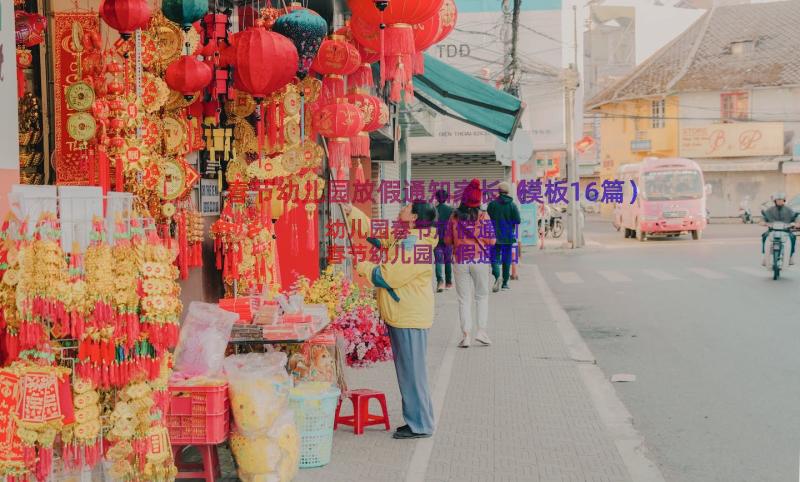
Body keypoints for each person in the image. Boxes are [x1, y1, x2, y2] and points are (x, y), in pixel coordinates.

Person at [342, 200, 438, 440]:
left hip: (409, 316)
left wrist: (361, 265)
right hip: (403, 313)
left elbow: (388, 276)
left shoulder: (415, 245)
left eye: (406, 207)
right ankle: (417, 420)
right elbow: (375, 233)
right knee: (409, 372)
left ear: (414, 217)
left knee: (413, 373)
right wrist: (351, 211)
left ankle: (421, 424)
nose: (402, 208)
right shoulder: (406, 237)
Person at [445, 179, 496, 348]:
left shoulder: (454, 216)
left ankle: (466, 335)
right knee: (481, 296)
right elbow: (492, 240)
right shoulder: (484, 216)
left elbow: (447, 240)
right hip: (480, 260)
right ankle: (481, 332)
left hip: (460, 260)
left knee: (463, 299)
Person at [487, 182, 521, 292]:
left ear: (498, 192)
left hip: (494, 237)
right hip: (508, 236)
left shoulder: (492, 205)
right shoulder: (512, 205)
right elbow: (518, 220)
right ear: (508, 192)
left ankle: (497, 277)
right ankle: (505, 283)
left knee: (494, 259)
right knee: (506, 260)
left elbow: (487, 220)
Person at [760, 192, 799, 264]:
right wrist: (763, 223)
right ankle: (765, 256)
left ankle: (790, 256)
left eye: (781, 200)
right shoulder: (770, 210)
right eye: (778, 200)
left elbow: (796, 218)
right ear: (775, 201)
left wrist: (796, 224)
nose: (779, 201)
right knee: (764, 236)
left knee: (793, 237)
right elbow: (763, 219)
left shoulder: (789, 210)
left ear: (784, 200)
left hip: (786, 231)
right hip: (772, 231)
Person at [433, 189, 454, 292]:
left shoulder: (433, 210)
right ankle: (449, 283)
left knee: (438, 261)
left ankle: (440, 282)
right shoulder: (451, 210)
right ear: (446, 198)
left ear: (436, 198)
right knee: (448, 261)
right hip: (448, 239)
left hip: (436, 239)